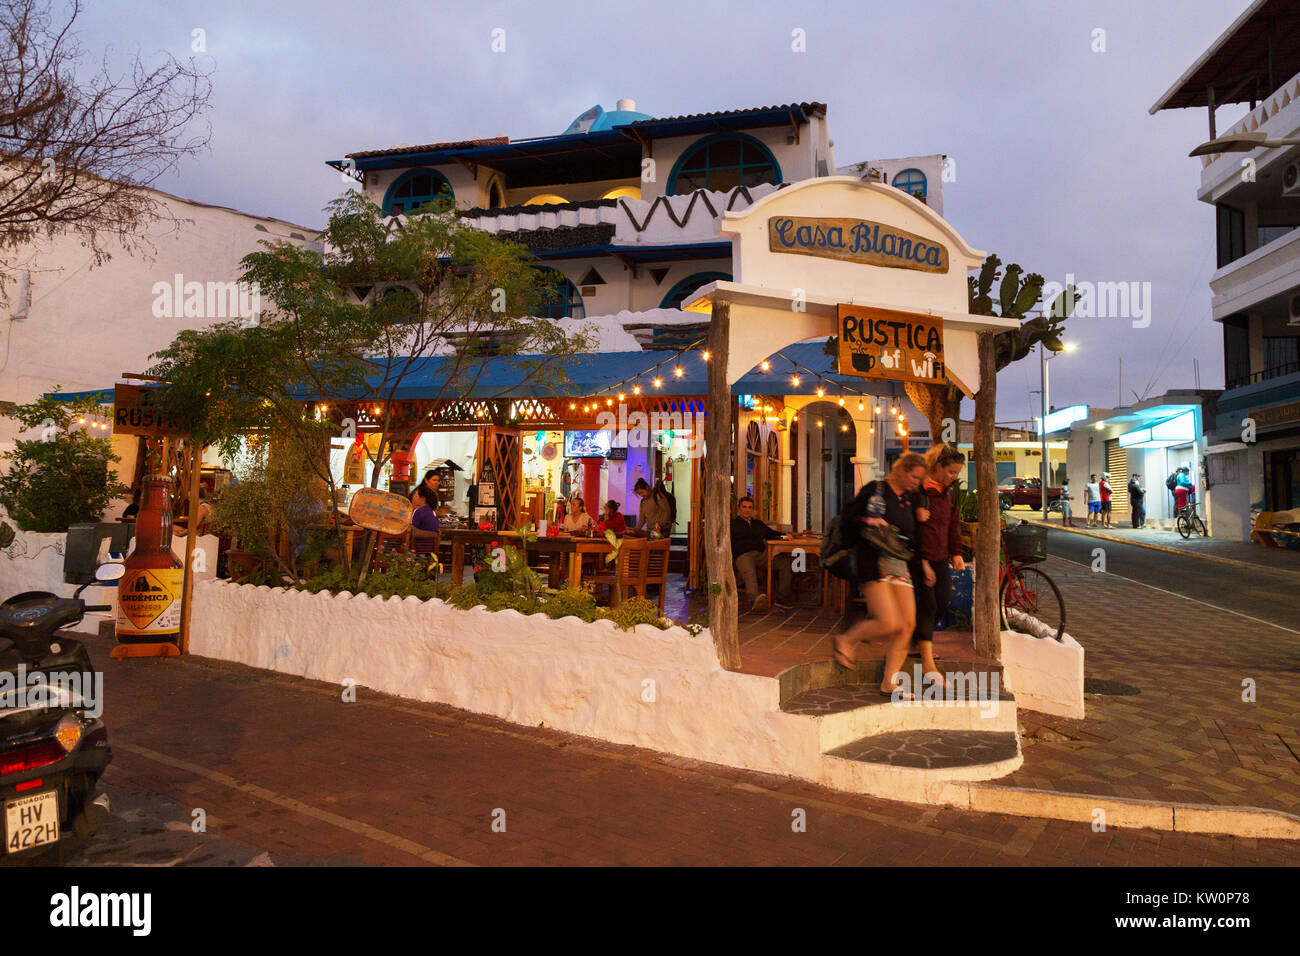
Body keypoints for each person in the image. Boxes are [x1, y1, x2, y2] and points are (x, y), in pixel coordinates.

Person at [831, 452, 930, 699]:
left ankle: (889, 682)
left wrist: (924, 564)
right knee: (889, 622)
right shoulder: (876, 490)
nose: (916, 483)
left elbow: (913, 536)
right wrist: (870, 521)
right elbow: (847, 518)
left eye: (919, 479)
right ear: (901, 470)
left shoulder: (908, 498)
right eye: (914, 477)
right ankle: (846, 640)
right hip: (873, 562)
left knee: (907, 625)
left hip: (899, 565)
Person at [912, 444, 966, 687]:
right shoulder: (919, 489)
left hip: (940, 556)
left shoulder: (950, 492)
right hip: (919, 557)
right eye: (951, 472)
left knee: (942, 603)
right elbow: (909, 526)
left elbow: (954, 524)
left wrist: (957, 553)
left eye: (957, 473)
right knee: (928, 604)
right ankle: (926, 663)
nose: (954, 477)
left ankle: (916, 641)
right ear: (938, 467)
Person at [731, 495, 793, 612]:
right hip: (743, 555)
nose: (747, 510)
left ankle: (781, 598)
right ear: (739, 509)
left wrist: (785, 535)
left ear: (752, 510)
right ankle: (755, 601)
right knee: (750, 574)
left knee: (784, 562)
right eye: (744, 507)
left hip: (761, 554)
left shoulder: (758, 524)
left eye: (750, 507)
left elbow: (772, 533)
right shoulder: (733, 524)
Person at [410, 486, 440, 555]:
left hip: (419, 550)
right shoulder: (431, 511)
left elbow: (410, 531)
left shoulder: (419, 511)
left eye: (415, 495)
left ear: (423, 499)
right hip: (430, 551)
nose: (413, 497)